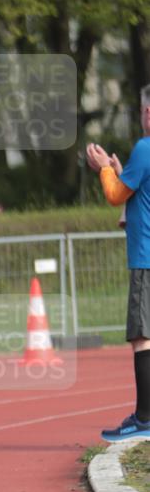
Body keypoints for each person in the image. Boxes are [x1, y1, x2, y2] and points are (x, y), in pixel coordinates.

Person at [86, 84, 150, 442]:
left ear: (148, 113)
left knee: (142, 336)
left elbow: (115, 194)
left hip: (146, 255)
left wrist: (103, 169)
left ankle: (144, 418)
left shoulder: (145, 147)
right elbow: (138, 191)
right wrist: (120, 171)